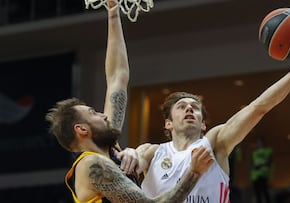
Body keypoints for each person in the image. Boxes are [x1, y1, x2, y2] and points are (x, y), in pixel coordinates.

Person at [129, 21, 290, 202]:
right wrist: (130, 154)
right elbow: (133, 159)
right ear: (168, 123)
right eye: (181, 107)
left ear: (203, 123)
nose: (189, 108)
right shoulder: (153, 153)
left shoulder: (215, 143)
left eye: (195, 108)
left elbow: (258, 108)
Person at [45, 1, 214, 202]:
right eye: (93, 113)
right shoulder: (92, 165)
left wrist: (113, 11)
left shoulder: (112, 151)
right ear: (82, 129)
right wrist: (193, 173)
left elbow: (118, 77)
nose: (103, 114)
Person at [251, 137, 273, 203]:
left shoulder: (268, 151)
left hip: (264, 174)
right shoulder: (254, 153)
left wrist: (261, 165)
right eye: (257, 143)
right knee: (257, 193)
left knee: (264, 191)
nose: (259, 144)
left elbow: (269, 162)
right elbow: (252, 164)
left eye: (260, 142)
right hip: (255, 175)